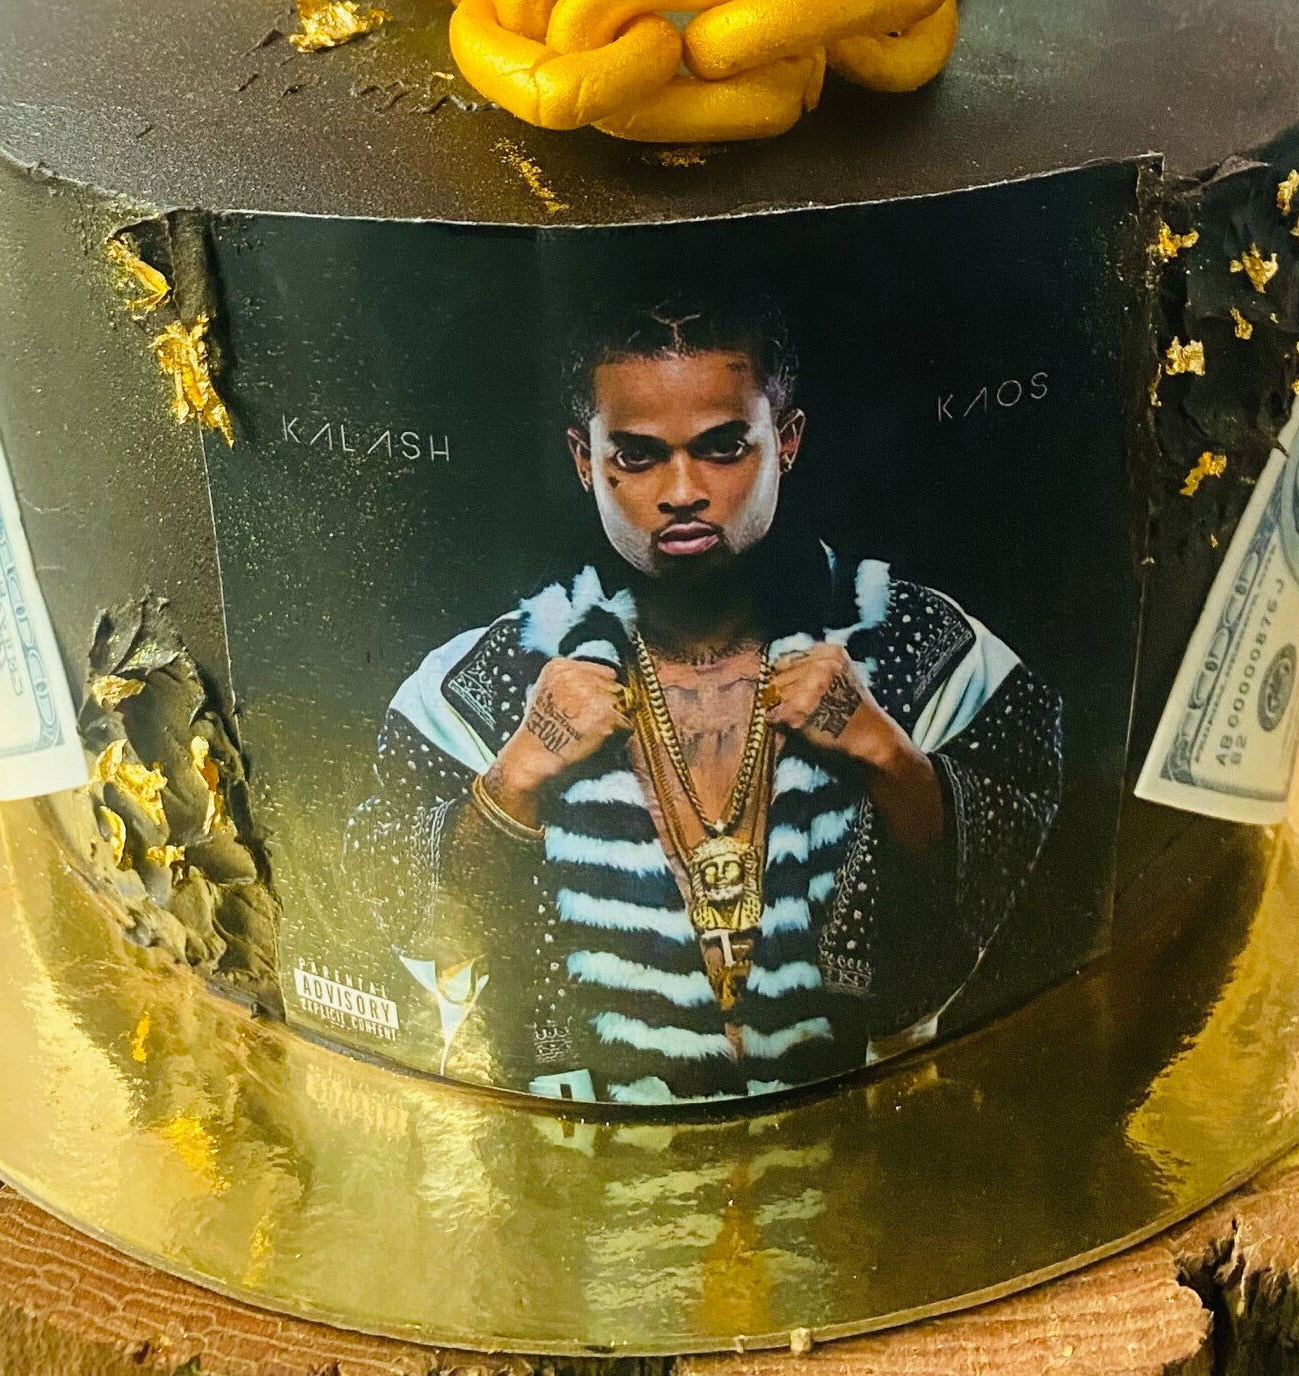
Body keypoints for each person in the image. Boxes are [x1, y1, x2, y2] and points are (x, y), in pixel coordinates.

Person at [345, 294, 1061, 1105]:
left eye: (722, 449)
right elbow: (387, 902)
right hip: (585, 1155)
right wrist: (512, 780)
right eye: (638, 456)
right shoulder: (488, 679)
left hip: (862, 1138)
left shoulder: (914, 644)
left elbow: (1022, 884)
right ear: (584, 459)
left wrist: (887, 754)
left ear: (786, 440)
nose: (682, 491)